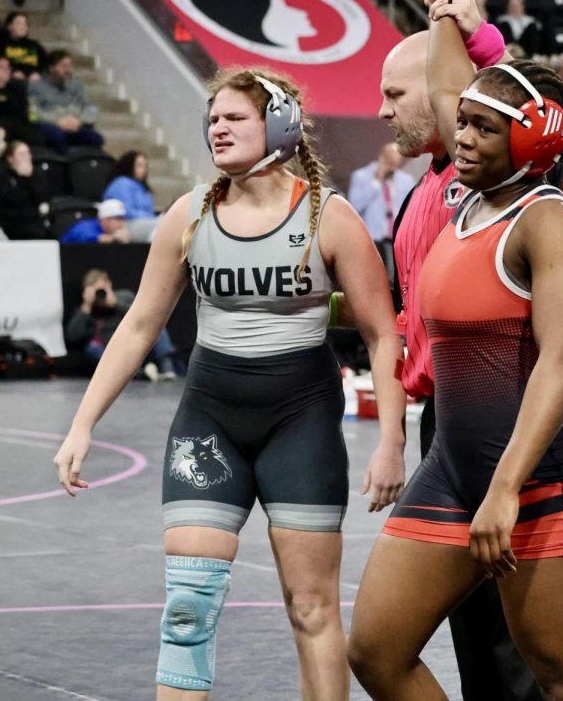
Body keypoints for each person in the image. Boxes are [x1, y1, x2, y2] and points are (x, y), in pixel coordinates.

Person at [51, 67, 407, 700]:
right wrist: (82, 425)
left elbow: (383, 334)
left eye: (233, 117)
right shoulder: (190, 215)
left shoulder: (331, 216)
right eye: (211, 118)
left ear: (281, 125)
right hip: (210, 421)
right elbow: (137, 327)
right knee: (187, 609)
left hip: (301, 426)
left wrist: (391, 443)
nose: (217, 127)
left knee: (313, 609)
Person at [349, 0, 563, 701]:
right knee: (377, 651)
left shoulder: (546, 221)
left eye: (482, 129)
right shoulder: (466, 193)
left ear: (525, 143)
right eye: (462, 122)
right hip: (451, 469)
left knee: (557, 672)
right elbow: (457, 84)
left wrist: (505, 488)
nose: (460, 134)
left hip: (529, 476)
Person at [65, 268, 178, 380]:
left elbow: (143, 317)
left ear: (109, 284)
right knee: (92, 348)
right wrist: (87, 306)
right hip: (110, 353)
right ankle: (140, 374)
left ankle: (167, 367)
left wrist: (115, 304)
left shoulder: (124, 296)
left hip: (133, 345)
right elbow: (73, 336)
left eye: (102, 289)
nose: (100, 294)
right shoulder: (86, 310)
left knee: (155, 324)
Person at [347, 142, 415, 264]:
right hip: (373, 239)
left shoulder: (406, 180)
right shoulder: (361, 176)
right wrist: (376, 182)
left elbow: (412, 209)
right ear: (382, 158)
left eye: (396, 165)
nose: (393, 168)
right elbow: (354, 207)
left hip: (399, 238)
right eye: (390, 163)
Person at [28, 50, 104, 153]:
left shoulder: (77, 85)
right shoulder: (36, 86)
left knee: (96, 139)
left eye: (69, 66)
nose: (68, 70)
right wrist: (57, 122)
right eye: (63, 66)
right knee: (57, 137)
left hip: (76, 125)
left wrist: (79, 121)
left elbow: (91, 108)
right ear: (51, 68)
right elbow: (33, 114)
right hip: (51, 125)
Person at [0, 141, 49, 240]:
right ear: (10, 158)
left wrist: (29, 178)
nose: (26, 157)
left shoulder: (36, 175)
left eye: (28, 153)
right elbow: (14, 201)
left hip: (34, 222)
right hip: (12, 223)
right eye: (21, 154)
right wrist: (22, 178)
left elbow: (41, 197)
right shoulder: (2, 177)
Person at [103, 150, 160, 243]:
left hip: (145, 222)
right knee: (160, 226)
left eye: (145, 166)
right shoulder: (121, 183)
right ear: (129, 165)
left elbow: (148, 210)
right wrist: (152, 217)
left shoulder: (142, 186)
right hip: (125, 224)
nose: (143, 170)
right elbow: (126, 211)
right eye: (139, 166)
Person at [0, 12, 44, 81]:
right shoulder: (1, 44)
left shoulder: (34, 45)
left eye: (25, 24)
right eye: (19, 24)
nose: (23, 27)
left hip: (32, 82)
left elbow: (45, 63)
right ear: (9, 26)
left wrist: (37, 73)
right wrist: (12, 72)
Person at [60, 198, 130, 244]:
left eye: (123, 218)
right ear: (105, 220)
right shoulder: (85, 226)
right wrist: (113, 238)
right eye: (118, 218)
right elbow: (87, 237)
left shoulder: (109, 232)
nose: (122, 222)